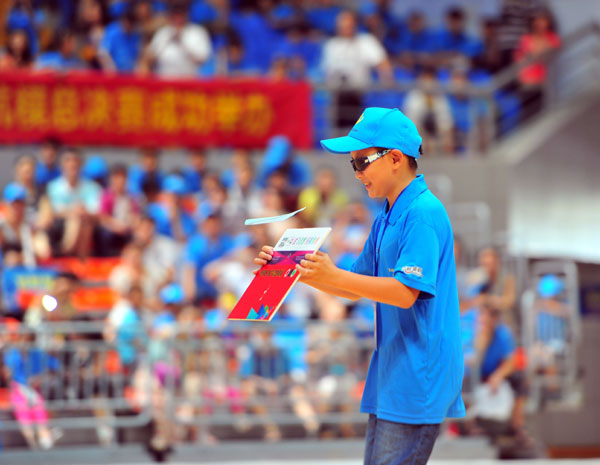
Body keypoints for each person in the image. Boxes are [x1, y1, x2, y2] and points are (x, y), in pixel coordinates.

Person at [254, 107, 465, 465]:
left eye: (362, 162)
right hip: (394, 369)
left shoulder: (423, 213)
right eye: (354, 165)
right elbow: (354, 285)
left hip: (418, 373)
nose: (357, 174)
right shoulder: (387, 215)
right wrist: (302, 269)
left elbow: (404, 292)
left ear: (395, 158)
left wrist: (332, 276)